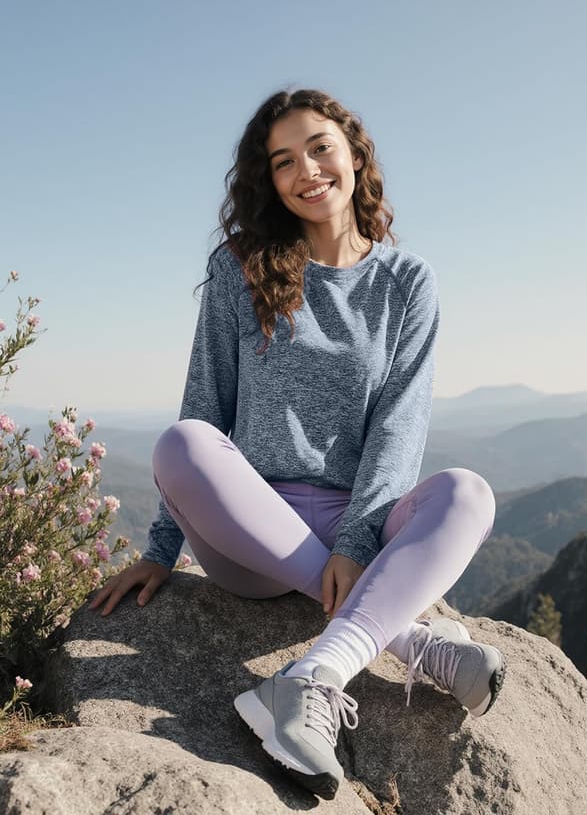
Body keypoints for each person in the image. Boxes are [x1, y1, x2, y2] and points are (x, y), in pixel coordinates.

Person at [89, 87, 506, 801]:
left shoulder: (407, 282)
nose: (307, 170)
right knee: (182, 441)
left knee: (468, 492)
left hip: (358, 530)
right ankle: (407, 640)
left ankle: (314, 675)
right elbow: (204, 406)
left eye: (319, 148)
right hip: (251, 538)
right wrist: (160, 550)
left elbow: (399, 427)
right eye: (283, 162)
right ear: (270, 182)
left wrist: (357, 540)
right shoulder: (240, 266)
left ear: (354, 153)